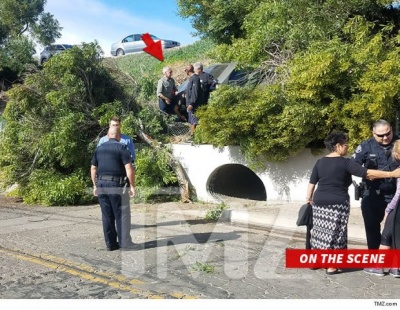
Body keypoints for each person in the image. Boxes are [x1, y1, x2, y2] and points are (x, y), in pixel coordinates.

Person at [306, 131, 400, 275]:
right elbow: (368, 173)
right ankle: (331, 266)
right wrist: (392, 174)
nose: (348, 148)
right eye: (345, 145)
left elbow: (312, 183)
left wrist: (309, 199)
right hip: (337, 202)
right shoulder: (345, 163)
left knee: (320, 231)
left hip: (319, 201)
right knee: (335, 232)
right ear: (338, 146)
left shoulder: (320, 162)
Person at [352, 119, 400, 251]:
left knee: (394, 230)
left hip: (395, 195)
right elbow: (353, 167)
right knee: (372, 229)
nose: (385, 138)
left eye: (388, 133)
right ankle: (375, 261)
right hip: (372, 194)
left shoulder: (399, 142)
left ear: (391, 128)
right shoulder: (366, 146)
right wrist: (370, 173)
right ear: (373, 133)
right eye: (380, 135)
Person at [91, 126, 136, 251]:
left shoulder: (99, 149)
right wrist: (132, 185)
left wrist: (95, 185)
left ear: (107, 135)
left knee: (107, 215)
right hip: (117, 186)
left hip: (101, 185)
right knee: (122, 214)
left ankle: (111, 244)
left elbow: (93, 168)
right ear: (119, 136)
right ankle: (125, 243)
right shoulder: (122, 147)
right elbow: (129, 168)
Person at [364, 140, 400, 277]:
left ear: (397, 154)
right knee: (397, 236)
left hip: (397, 207)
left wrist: (388, 209)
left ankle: (378, 267)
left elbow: (398, 194)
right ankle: (396, 267)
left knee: (386, 235)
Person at [185, 64, 203, 134]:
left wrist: (191, 103)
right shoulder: (191, 78)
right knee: (191, 121)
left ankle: (194, 136)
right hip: (190, 104)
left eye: (185, 70)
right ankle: (192, 136)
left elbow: (195, 92)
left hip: (194, 105)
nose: (185, 71)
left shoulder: (195, 78)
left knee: (194, 121)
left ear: (188, 70)